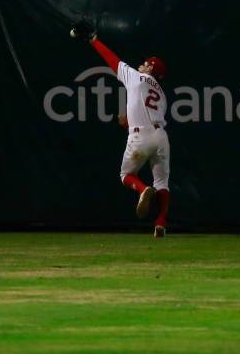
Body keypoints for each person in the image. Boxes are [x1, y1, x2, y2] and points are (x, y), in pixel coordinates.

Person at [70, 20, 170, 238]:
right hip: (161, 136)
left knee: (126, 175)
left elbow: (111, 59)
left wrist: (93, 40)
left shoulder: (137, 76)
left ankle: (142, 190)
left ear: (151, 68)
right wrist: (130, 122)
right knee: (162, 182)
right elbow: (149, 113)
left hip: (140, 135)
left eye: (145, 63)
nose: (142, 64)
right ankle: (160, 222)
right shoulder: (161, 95)